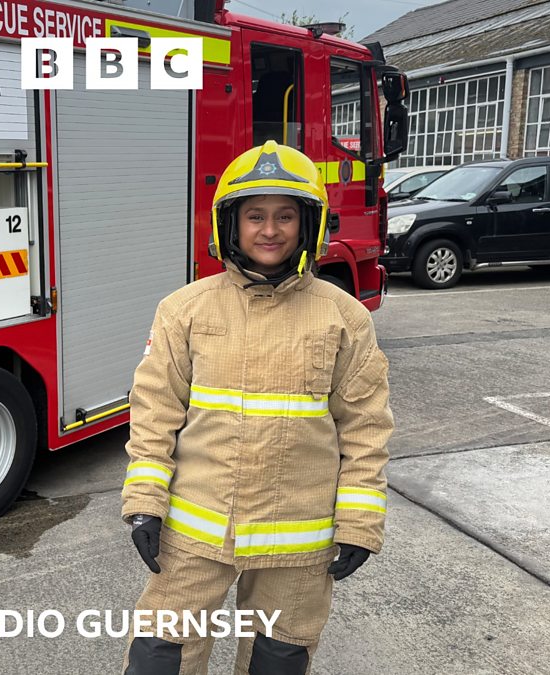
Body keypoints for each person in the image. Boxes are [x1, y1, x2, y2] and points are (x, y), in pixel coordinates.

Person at [120, 140, 394, 674]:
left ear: (309, 224)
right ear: (230, 224)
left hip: (298, 539)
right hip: (195, 533)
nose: (270, 230)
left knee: (279, 659)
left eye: (285, 215)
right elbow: (154, 413)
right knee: (159, 656)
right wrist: (145, 503)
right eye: (255, 216)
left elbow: (365, 427)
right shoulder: (184, 310)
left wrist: (360, 522)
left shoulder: (344, 317)